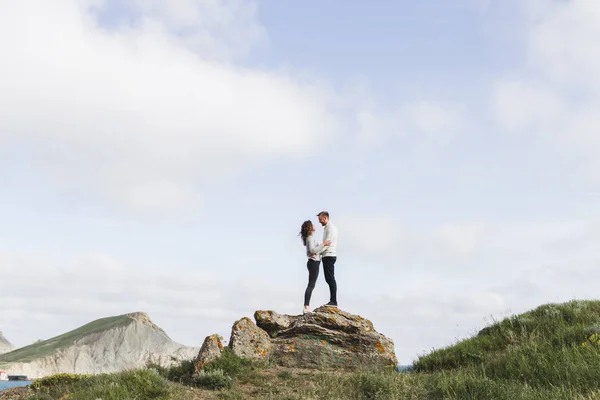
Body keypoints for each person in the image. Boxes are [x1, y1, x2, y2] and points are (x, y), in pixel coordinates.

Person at [299, 220, 331, 313]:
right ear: (310, 227)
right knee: (311, 285)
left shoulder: (310, 238)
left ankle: (306, 307)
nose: (314, 225)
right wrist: (323, 244)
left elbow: (311, 251)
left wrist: (321, 249)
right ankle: (306, 307)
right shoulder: (310, 238)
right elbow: (312, 250)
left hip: (313, 262)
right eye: (312, 224)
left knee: (311, 285)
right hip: (313, 263)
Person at [317, 211, 338, 307]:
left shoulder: (330, 228)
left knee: (330, 278)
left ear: (325, 218)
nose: (319, 222)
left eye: (320, 220)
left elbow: (327, 243)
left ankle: (333, 301)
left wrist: (317, 251)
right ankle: (333, 300)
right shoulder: (328, 228)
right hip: (327, 255)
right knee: (329, 278)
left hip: (329, 255)